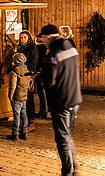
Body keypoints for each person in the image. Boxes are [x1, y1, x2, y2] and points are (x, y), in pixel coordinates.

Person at [37, 24, 82, 176]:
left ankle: (68, 172)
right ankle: (73, 167)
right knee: (67, 134)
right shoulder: (70, 45)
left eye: (42, 38)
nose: (42, 41)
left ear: (48, 37)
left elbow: (49, 82)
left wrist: (42, 71)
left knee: (62, 138)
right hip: (74, 97)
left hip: (61, 101)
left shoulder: (54, 54)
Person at [7, 52, 32, 141]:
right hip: (24, 96)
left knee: (16, 115)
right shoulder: (27, 70)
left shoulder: (14, 72)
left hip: (17, 97)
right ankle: (24, 132)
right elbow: (29, 84)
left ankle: (15, 133)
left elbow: (12, 86)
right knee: (24, 114)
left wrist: (10, 96)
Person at [17, 30, 39, 129]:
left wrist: (30, 75)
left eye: (24, 37)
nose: (22, 39)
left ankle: (31, 121)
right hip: (20, 75)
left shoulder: (33, 48)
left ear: (28, 38)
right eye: (21, 37)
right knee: (22, 99)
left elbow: (33, 64)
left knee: (29, 99)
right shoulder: (20, 47)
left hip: (28, 75)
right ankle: (24, 120)